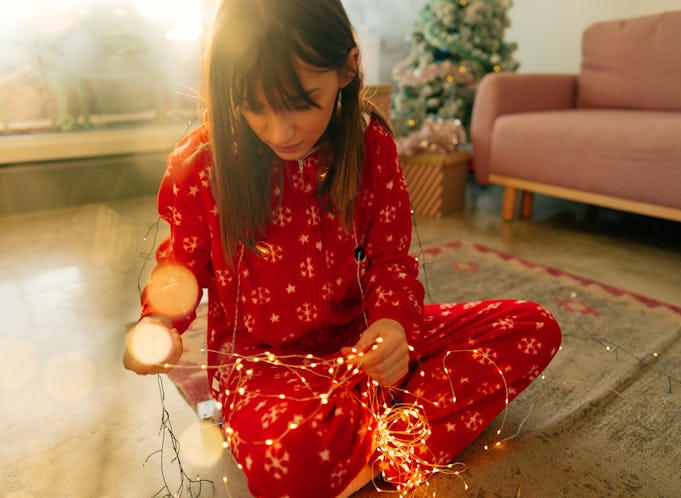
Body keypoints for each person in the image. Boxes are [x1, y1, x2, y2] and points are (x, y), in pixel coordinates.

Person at [123, 1, 562, 496]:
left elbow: (390, 261)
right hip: (270, 368)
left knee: (532, 326)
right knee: (286, 459)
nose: (279, 132)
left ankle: (352, 446)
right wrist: (158, 323)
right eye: (254, 106)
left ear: (347, 67)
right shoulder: (200, 165)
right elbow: (180, 268)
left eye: (302, 101)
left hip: (364, 346)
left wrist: (393, 326)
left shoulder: (370, 143)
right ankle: (372, 441)